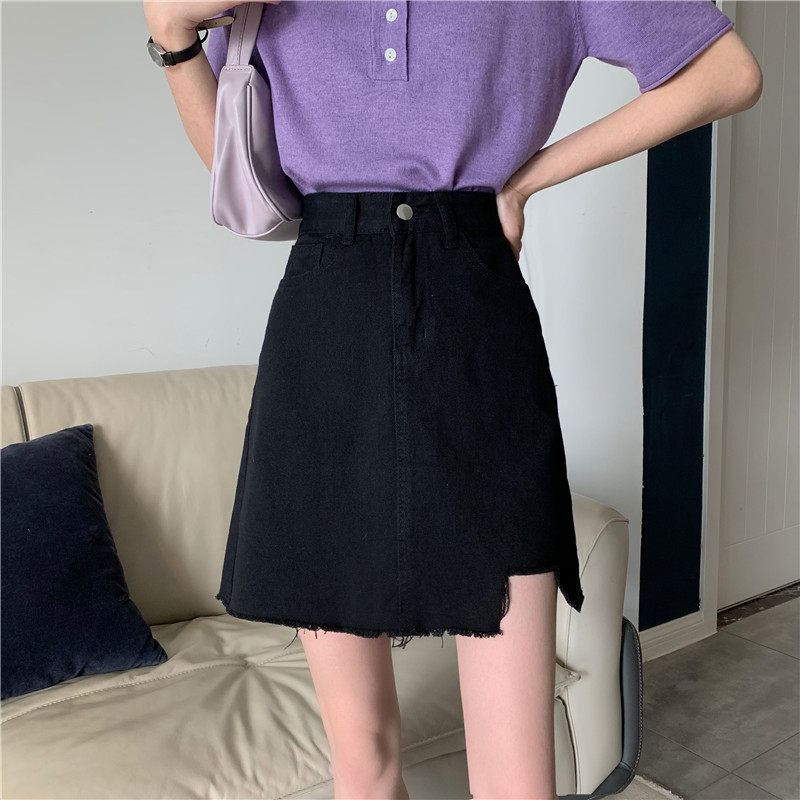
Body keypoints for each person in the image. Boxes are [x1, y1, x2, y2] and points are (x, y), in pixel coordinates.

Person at [142, 2, 761, 797]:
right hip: (325, 337)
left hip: (477, 326)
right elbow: (243, 183)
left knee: (516, 777)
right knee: (362, 765)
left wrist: (530, 177)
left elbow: (727, 74)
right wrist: (173, 37)